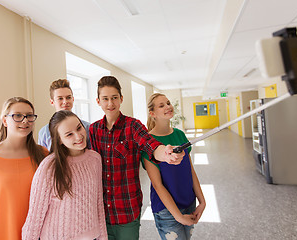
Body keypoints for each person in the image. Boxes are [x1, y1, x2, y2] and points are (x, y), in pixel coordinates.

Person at [89, 76, 185, 240]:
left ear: (121, 99)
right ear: (98, 101)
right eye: (105, 99)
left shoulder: (132, 126)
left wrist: (165, 153)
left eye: (114, 98)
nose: (110, 103)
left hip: (127, 211)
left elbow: (150, 145)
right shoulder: (93, 130)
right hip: (100, 213)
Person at [0, 97, 48, 240]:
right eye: (17, 115)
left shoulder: (43, 155)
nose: (25, 120)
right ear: (5, 120)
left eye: (29, 116)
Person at [22, 110, 107, 240]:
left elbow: (98, 204)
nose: (78, 136)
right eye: (69, 134)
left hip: (92, 236)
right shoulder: (49, 166)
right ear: (59, 140)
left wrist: (103, 237)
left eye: (79, 128)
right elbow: (35, 217)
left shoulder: (95, 159)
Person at [142, 93, 206, 240]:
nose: (168, 107)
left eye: (168, 103)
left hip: (188, 202)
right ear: (152, 113)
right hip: (167, 210)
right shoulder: (149, 142)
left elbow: (190, 170)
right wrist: (178, 216)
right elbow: (158, 186)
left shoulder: (180, 135)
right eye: (161, 105)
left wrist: (202, 201)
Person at [38, 79, 90, 150]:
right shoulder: (44, 133)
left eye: (68, 97)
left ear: (73, 99)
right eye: (60, 98)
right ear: (52, 102)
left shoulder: (87, 128)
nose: (65, 102)